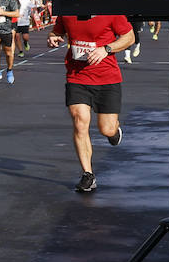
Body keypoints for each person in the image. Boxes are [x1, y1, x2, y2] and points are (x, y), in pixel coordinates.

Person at [47, 12, 134, 193]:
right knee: (80, 121)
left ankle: (113, 131)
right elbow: (56, 33)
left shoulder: (109, 11)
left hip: (107, 78)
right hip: (77, 76)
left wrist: (106, 49)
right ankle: (88, 174)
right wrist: (53, 38)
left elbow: (129, 37)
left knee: (106, 129)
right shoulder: (67, 13)